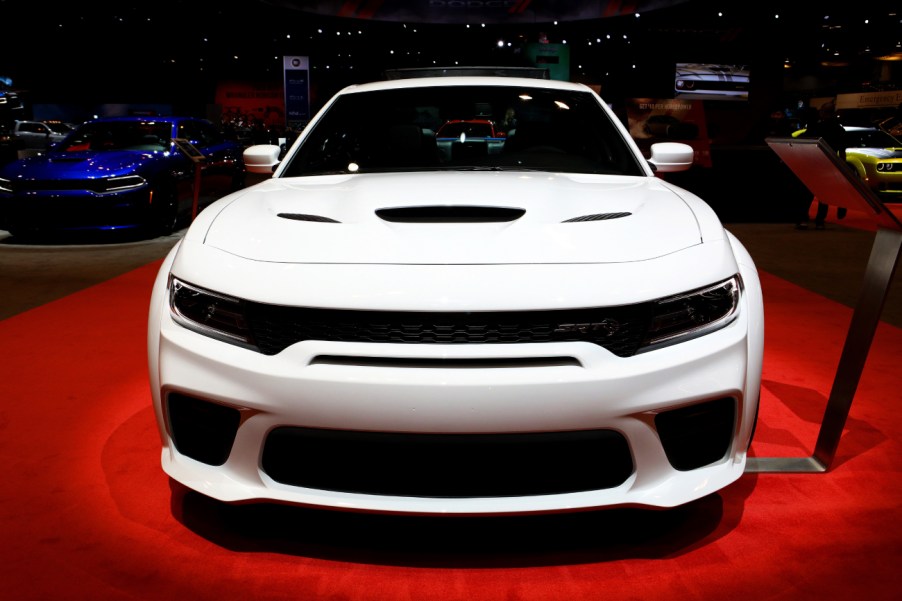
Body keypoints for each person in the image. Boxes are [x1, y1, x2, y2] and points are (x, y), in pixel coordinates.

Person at [795, 101, 847, 229]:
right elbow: (842, 150)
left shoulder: (817, 127)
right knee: (824, 194)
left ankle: (803, 219)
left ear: (823, 113)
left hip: (815, 162)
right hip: (829, 164)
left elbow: (806, 142)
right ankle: (820, 221)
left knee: (807, 193)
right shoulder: (839, 129)